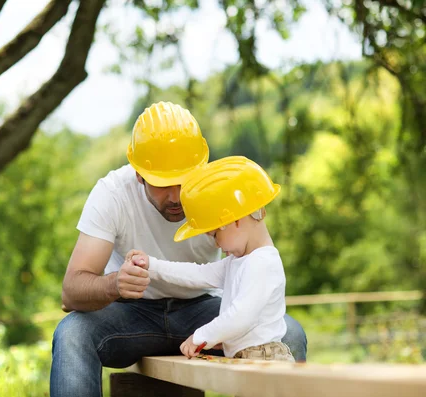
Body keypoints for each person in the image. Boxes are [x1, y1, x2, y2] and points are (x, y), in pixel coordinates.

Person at [50, 102, 306, 397]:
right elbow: (71, 292)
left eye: (183, 181)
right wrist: (115, 283)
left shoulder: (222, 189)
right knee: (72, 333)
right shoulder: (111, 194)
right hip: (131, 315)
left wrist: (218, 331)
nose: (176, 197)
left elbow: (257, 261)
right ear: (139, 174)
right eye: (162, 184)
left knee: (291, 334)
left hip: (205, 310)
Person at [127, 156, 295, 362]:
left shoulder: (262, 262)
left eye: (215, 234)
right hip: (250, 357)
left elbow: (240, 316)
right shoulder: (239, 261)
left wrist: (201, 336)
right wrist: (152, 265)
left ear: (235, 220)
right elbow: (197, 274)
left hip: (264, 358)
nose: (216, 244)